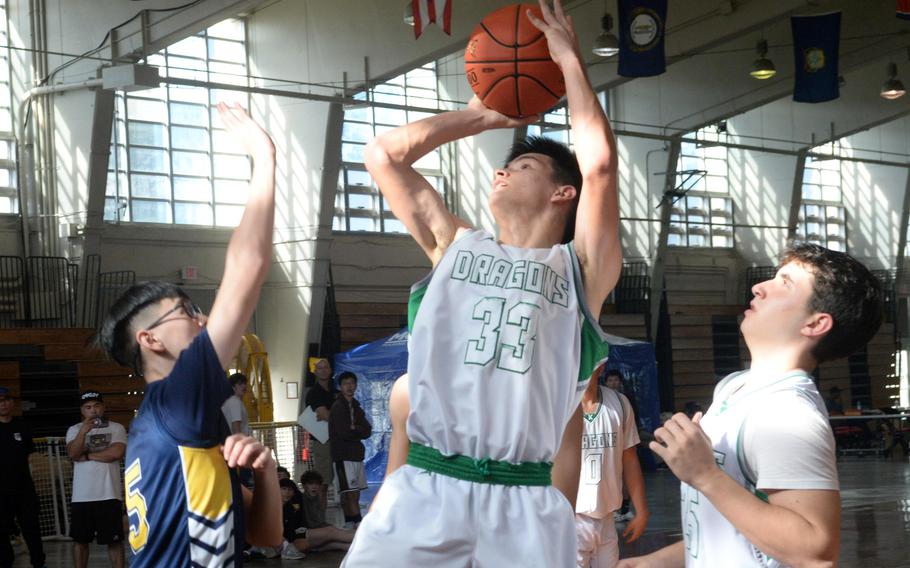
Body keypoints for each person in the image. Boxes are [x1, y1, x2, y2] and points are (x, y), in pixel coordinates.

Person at [342, 0, 621, 564]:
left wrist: (568, 63)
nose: (502, 169)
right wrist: (483, 116)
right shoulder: (454, 244)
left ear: (561, 194)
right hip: (426, 486)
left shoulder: (580, 270)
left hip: (525, 498)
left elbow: (599, 166)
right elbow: (383, 155)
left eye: (521, 167)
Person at [619, 244, 883, 568]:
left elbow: (815, 551)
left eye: (784, 283)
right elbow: (743, 529)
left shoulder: (787, 414)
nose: (759, 287)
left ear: (815, 324)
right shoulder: (735, 387)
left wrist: (705, 475)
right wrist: (657, 562)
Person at [97, 103, 282, 567]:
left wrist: (266, 472)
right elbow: (248, 269)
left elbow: (265, 535)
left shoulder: (178, 422)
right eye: (185, 311)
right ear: (150, 341)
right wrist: (264, 157)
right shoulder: (180, 395)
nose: (202, 320)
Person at [576, 370, 648, 568]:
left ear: (601, 365)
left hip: (606, 517)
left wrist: (641, 510)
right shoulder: (557, 403)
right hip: (570, 518)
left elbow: (630, 459)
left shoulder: (620, 403)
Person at [65, 392, 127, 568]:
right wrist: (84, 432)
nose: (93, 411)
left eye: (97, 406)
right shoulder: (75, 430)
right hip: (81, 496)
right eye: (88, 407)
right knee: (80, 541)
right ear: (82, 410)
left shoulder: (116, 428)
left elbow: (116, 453)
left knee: (114, 541)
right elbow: (73, 454)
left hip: (109, 494)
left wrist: (88, 455)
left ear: (104, 407)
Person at [0, 386, 46, 568]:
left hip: (24, 489)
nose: (2, 404)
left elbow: (30, 457)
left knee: (32, 529)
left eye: (5, 400)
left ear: (11, 402)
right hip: (1, 492)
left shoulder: (22, 426)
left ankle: (39, 562)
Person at [329, 371, 372, 528]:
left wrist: (355, 428)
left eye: (352, 383)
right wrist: (356, 430)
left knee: (355, 492)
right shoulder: (338, 407)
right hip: (343, 455)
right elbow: (343, 432)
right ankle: (359, 525)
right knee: (350, 493)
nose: (349, 386)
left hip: (356, 455)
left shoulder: (356, 407)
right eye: (346, 383)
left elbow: (368, 430)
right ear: (340, 387)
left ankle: (349, 522)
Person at [281, 477, 354, 556]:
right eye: (284, 489)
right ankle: (365, 537)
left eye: (290, 490)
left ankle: (363, 545)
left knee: (337, 544)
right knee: (331, 531)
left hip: (297, 537)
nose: (287, 492)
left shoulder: (293, 504)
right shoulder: (272, 508)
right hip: (290, 541)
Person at [304, 358, 338, 502]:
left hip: (338, 440)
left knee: (338, 481)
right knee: (322, 483)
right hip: (322, 441)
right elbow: (324, 415)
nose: (324, 370)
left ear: (330, 370)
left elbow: (328, 415)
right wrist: (339, 419)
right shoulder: (314, 393)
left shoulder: (335, 391)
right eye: (320, 368)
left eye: (326, 367)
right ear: (315, 372)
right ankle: (318, 517)